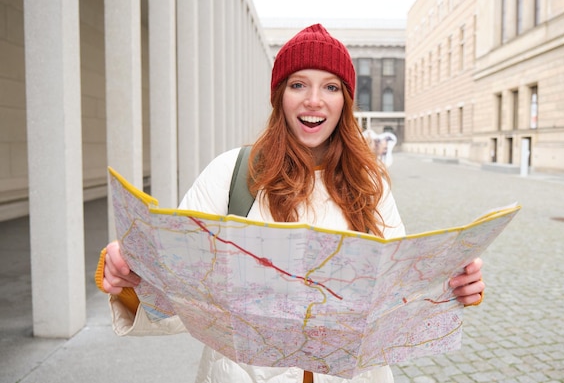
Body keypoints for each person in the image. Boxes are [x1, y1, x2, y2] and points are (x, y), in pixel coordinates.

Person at [95, 23, 485, 383]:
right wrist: (133, 279)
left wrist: (447, 288)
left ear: (345, 101)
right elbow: (181, 294)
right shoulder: (230, 173)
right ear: (279, 96)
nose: (314, 101)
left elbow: (396, 299)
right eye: (298, 84)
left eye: (330, 87)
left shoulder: (370, 186)